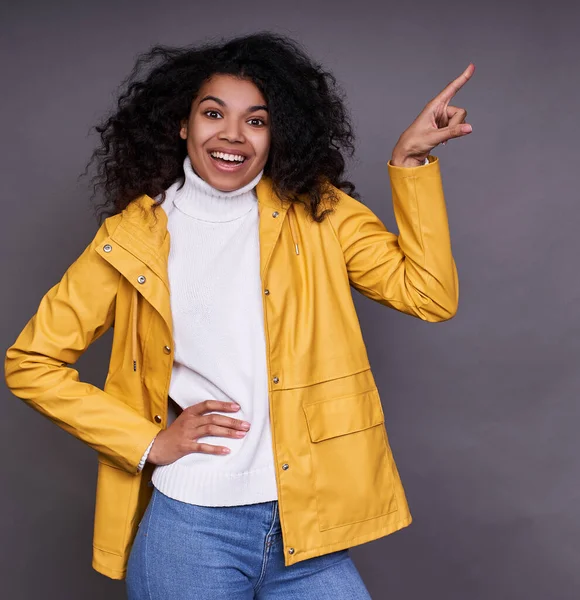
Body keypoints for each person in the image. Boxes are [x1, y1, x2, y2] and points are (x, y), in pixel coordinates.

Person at [4, 31, 473, 599]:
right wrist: (150, 443)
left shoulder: (319, 214)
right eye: (212, 113)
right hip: (193, 530)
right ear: (183, 123)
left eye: (256, 120)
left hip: (307, 529)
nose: (232, 135)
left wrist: (411, 161)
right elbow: (31, 361)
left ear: (279, 133)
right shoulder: (131, 239)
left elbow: (428, 294)